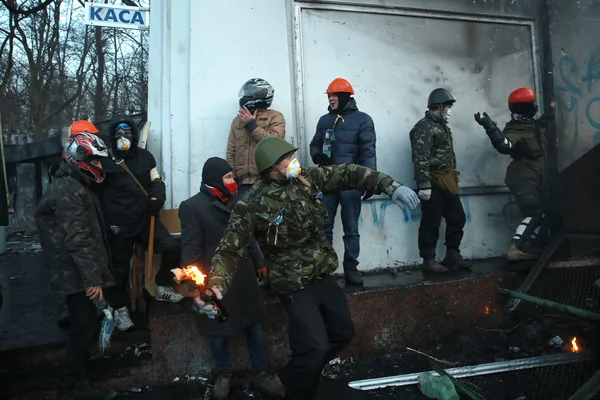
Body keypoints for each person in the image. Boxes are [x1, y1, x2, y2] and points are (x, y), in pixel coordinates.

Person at [198, 137, 419, 400]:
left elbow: (349, 172)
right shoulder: (252, 204)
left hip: (320, 272)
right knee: (315, 347)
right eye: (287, 160)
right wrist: (216, 285)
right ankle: (298, 392)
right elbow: (229, 250)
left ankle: (289, 378)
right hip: (292, 283)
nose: (294, 162)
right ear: (271, 168)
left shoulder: (306, 180)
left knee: (343, 332)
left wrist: (391, 187)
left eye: (292, 157)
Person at [179, 157, 285, 399]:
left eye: (232, 177)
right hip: (216, 282)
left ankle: (261, 373)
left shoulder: (238, 202)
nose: (233, 181)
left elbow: (249, 238)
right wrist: (195, 286)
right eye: (228, 177)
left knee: (254, 328)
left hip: (244, 277)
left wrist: (260, 264)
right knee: (218, 333)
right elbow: (190, 249)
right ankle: (223, 375)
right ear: (214, 179)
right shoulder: (193, 207)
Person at [35, 133, 117, 400]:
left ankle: (76, 384)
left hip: (75, 273)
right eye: (96, 160)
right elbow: (78, 238)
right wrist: (92, 280)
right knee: (82, 331)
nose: (100, 167)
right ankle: (72, 387)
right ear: (81, 158)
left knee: (84, 327)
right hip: (75, 275)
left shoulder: (73, 186)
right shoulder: (69, 190)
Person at [95, 115, 183, 332]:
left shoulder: (145, 157)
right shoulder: (105, 160)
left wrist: (157, 199)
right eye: (118, 133)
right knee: (118, 269)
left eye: (127, 132)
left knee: (173, 247)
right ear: (112, 136)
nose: (123, 137)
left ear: (133, 135)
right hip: (118, 225)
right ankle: (120, 308)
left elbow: (156, 181)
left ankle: (162, 285)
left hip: (145, 219)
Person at [309, 78, 377, 287]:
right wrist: (318, 156)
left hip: (350, 184)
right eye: (329, 96)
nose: (330, 99)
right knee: (324, 228)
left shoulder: (363, 120)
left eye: (334, 95)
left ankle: (351, 269)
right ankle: (325, 269)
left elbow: (368, 153)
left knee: (351, 230)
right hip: (327, 183)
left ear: (346, 97)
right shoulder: (324, 121)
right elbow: (315, 145)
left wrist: (370, 181)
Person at [474, 88, 556, 261]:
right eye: (531, 104)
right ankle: (515, 248)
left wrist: (551, 110)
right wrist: (489, 125)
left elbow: (541, 124)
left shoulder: (530, 124)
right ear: (525, 107)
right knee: (533, 212)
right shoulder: (516, 128)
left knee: (547, 212)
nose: (534, 107)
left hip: (534, 174)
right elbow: (504, 145)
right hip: (522, 175)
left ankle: (530, 247)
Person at [409, 88, 472, 274]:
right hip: (433, 182)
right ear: (440, 106)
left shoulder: (441, 125)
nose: (450, 110)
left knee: (457, 217)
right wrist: (424, 185)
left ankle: (452, 253)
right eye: (449, 106)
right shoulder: (424, 127)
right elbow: (420, 157)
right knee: (431, 221)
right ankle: (428, 259)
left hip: (447, 180)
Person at [227, 78, 286, 197]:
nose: (243, 97)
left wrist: (252, 126)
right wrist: (231, 178)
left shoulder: (275, 117)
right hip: (243, 184)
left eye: (248, 94)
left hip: (268, 182)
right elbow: (231, 151)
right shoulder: (237, 121)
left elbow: (275, 142)